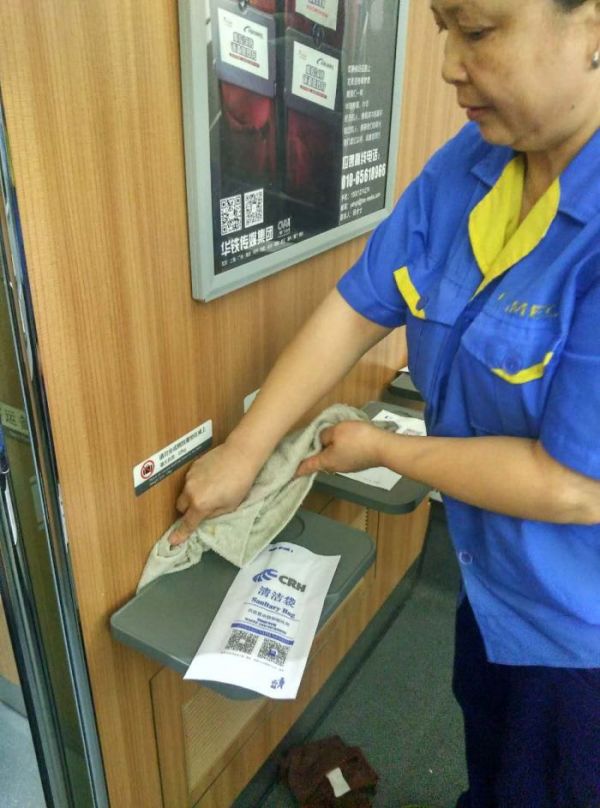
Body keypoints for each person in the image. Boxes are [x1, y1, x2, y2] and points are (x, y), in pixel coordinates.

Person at [172, 0, 600, 804]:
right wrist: (246, 447)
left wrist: (383, 449)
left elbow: (575, 486)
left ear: (593, 28)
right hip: (489, 574)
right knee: (490, 752)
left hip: (579, 627)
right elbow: (359, 305)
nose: (447, 65)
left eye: (478, 31)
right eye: (443, 28)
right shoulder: (471, 164)